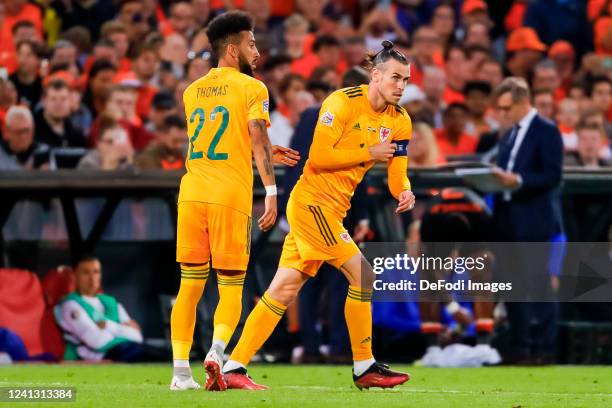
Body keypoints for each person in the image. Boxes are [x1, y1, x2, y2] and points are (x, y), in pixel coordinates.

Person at [222, 40, 414, 391]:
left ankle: (233, 367)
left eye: (406, 80)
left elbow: (396, 170)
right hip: (312, 205)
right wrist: (368, 150)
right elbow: (321, 155)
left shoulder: (400, 121)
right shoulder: (341, 102)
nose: (401, 86)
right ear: (376, 75)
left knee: (283, 290)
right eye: (395, 78)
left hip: (333, 211)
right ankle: (363, 365)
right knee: (364, 277)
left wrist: (403, 189)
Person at [169, 11, 300, 391]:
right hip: (230, 197)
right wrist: (272, 192)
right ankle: (217, 353)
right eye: (251, 43)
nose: (256, 51)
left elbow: (222, 139)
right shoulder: (252, 88)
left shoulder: (191, 91)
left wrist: (263, 149)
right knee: (231, 285)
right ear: (232, 49)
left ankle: (180, 374)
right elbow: (255, 132)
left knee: (189, 286)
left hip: (192, 193)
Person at [491, 77, 563, 365]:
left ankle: (545, 348)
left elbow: (552, 175)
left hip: (532, 219)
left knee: (538, 284)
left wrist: (517, 180)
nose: (503, 114)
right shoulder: (510, 135)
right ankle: (520, 347)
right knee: (511, 285)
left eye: (507, 108)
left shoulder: (547, 131)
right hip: (508, 218)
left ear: (522, 103)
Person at [55, 256, 166, 362]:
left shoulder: (110, 302)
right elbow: (97, 341)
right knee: (162, 360)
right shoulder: (71, 305)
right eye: (86, 272)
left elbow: (136, 336)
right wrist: (123, 330)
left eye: (96, 272)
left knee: (168, 356)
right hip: (102, 355)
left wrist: (108, 325)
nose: (92, 278)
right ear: (75, 275)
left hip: (130, 347)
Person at [34, 80, 86, 148]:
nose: (58, 104)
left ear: (70, 101)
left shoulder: (77, 135)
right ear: (44, 101)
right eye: (53, 99)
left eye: (63, 99)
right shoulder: (32, 132)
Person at [0, 105, 48, 170]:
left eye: (27, 131)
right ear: (6, 132)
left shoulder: (44, 153)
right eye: (18, 132)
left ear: (33, 130)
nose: (23, 136)